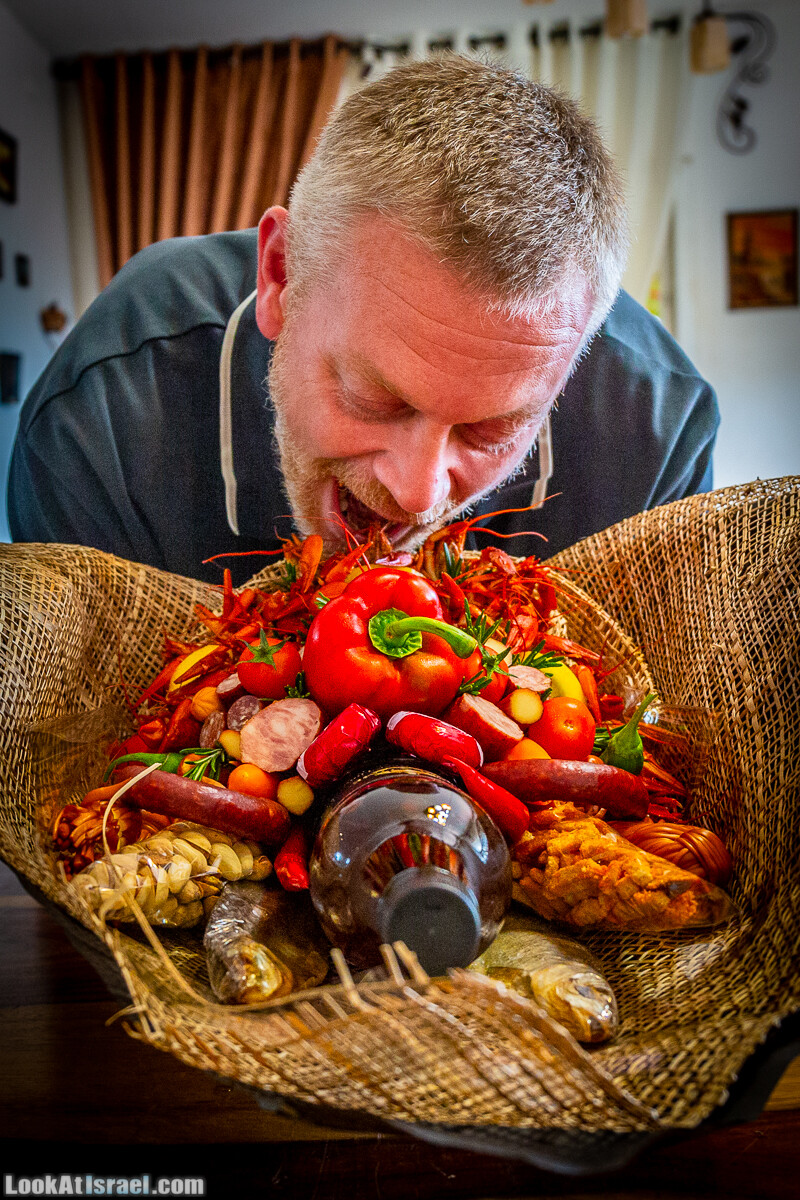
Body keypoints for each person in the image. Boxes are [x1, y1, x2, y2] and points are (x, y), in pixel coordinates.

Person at [8, 56, 719, 584]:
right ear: (281, 275)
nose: (418, 494)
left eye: (492, 428)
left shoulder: (659, 431)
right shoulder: (102, 417)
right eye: (377, 397)